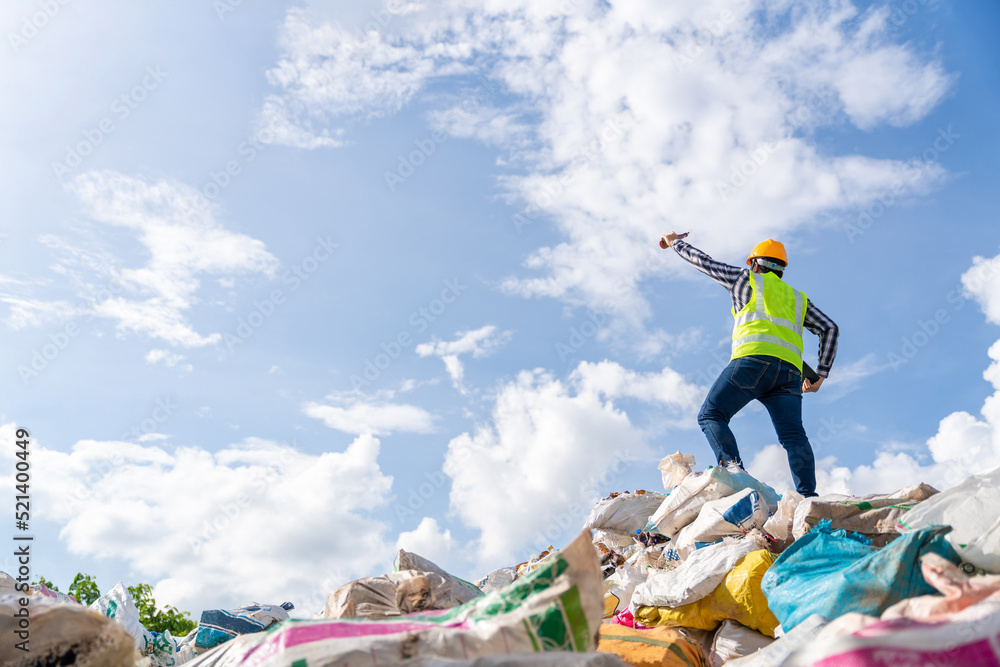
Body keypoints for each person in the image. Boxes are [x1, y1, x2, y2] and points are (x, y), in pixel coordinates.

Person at [660, 232, 839, 497]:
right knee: (793, 436)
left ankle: (737, 478)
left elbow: (704, 262)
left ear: (754, 263)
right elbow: (829, 328)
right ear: (781, 270)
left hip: (751, 362)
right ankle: (808, 497)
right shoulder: (797, 299)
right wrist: (820, 374)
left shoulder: (745, 279)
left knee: (710, 415)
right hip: (789, 374)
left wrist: (675, 242)